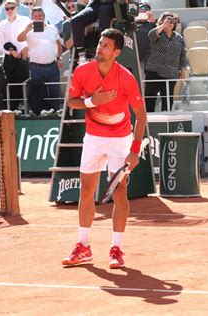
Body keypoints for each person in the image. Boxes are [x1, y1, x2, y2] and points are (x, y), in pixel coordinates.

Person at [62, 28, 147, 269]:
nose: (100, 48)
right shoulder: (82, 72)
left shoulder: (126, 78)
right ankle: (83, 246)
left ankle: (116, 249)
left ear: (117, 52)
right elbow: (72, 102)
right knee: (86, 192)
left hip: (120, 140)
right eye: (100, 43)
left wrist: (135, 150)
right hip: (93, 138)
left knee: (120, 194)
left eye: (107, 45)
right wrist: (92, 101)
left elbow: (141, 116)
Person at [17, 6, 62, 113]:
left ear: (44, 16)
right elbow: (19, 39)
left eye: (40, 16)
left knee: (55, 92)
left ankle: (56, 114)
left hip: (52, 66)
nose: (38, 18)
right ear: (32, 18)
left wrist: (59, 58)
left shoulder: (51, 28)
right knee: (38, 93)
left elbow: (59, 44)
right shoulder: (29, 30)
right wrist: (27, 29)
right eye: (35, 16)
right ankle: (40, 115)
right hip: (36, 67)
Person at [144, 12, 186, 112]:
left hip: (171, 74)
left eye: (172, 20)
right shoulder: (158, 33)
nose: (170, 22)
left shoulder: (179, 38)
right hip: (154, 72)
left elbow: (182, 55)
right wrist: (163, 25)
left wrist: (182, 70)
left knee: (168, 101)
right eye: (168, 20)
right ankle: (148, 122)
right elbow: (151, 35)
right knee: (150, 99)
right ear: (162, 21)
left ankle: (166, 122)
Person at [0, 0, 30, 110]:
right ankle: (12, 110)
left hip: (24, 57)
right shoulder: (1, 25)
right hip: (9, 59)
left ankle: (26, 109)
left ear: (16, 8)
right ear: (5, 10)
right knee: (10, 85)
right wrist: (10, 52)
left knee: (24, 84)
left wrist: (27, 47)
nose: (10, 10)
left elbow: (33, 37)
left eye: (12, 8)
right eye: (7, 8)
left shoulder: (26, 20)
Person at [135, 2, 156, 74]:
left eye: (148, 9)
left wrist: (154, 21)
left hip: (148, 61)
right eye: (143, 8)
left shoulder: (153, 24)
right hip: (133, 59)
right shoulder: (131, 23)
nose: (145, 10)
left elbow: (162, 35)